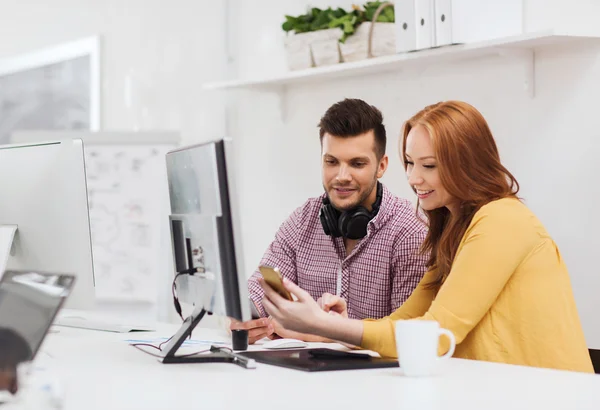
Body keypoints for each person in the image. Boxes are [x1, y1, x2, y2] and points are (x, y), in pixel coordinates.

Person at [258, 100, 594, 373]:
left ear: (467, 164)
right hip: (498, 391)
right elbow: (406, 325)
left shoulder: (501, 220)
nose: (414, 178)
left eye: (429, 166)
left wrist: (328, 327)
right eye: (409, 163)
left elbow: (435, 334)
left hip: (550, 396)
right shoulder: (454, 230)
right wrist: (334, 327)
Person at [232, 98, 428, 344]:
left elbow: (408, 336)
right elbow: (261, 291)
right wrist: (243, 319)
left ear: (381, 166)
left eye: (357, 164)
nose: (341, 176)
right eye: (331, 162)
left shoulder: (411, 232)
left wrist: (321, 333)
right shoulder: (303, 220)